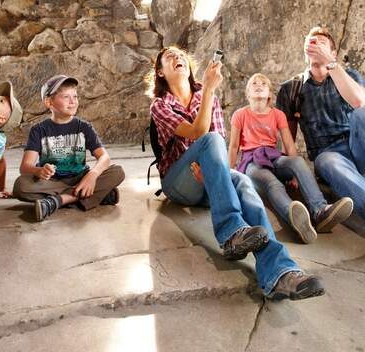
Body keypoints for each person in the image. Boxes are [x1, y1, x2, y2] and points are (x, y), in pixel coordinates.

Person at [147, 46, 325, 301]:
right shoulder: (160, 105)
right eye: (169, 57)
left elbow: (217, 146)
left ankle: (280, 274)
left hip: (208, 177)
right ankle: (231, 231)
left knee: (242, 180)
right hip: (179, 181)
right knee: (208, 140)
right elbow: (199, 134)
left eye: (180, 55)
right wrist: (208, 88)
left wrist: (212, 164)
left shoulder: (208, 100)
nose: (177, 58)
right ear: (160, 72)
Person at [228, 73, 353, 244]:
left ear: (269, 93)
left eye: (263, 83)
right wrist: (230, 174)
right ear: (248, 93)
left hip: (273, 156)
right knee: (272, 182)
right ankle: (295, 218)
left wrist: (294, 175)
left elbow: (289, 144)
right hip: (252, 161)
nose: (258, 85)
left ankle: (320, 210)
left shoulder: (277, 114)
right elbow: (234, 146)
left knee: (297, 161)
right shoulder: (240, 114)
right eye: (254, 83)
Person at [277, 26, 365, 220]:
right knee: (326, 162)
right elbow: (287, 136)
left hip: (359, 144)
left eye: (322, 43)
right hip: (329, 153)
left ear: (333, 52)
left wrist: (330, 63)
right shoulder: (291, 88)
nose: (315, 44)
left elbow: (359, 101)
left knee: (361, 115)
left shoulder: (349, 75)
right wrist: (291, 172)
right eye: (311, 41)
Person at [13, 75, 125, 221]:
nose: (73, 101)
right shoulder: (39, 130)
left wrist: (92, 176)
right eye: (66, 97)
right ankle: (97, 195)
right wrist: (39, 170)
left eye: (75, 96)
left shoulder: (84, 127)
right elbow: (25, 167)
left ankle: (57, 201)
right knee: (20, 186)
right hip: (52, 183)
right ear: (49, 102)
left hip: (81, 178)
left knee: (118, 171)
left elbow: (104, 158)